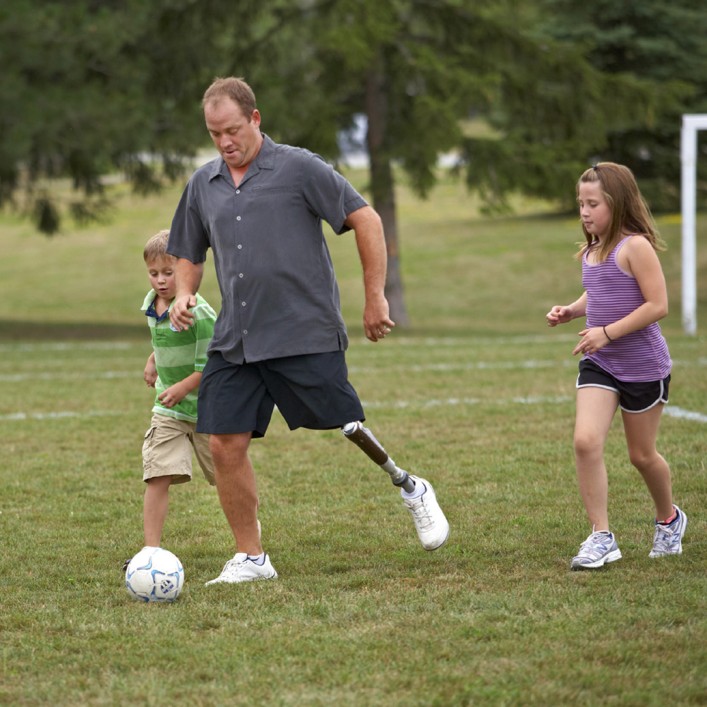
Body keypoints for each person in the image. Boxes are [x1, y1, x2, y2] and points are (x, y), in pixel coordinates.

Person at [167, 76, 449, 585]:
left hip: (303, 331)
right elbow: (188, 252)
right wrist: (185, 292)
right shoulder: (202, 184)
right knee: (224, 442)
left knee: (345, 423)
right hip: (237, 339)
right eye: (214, 134)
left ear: (255, 119)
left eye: (232, 129)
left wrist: (375, 296)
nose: (225, 142)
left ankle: (410, 486)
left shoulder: (300, 167)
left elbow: (366, 220)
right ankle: (252, 558)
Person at [546, 162, 687, 570]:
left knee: (642, 457)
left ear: (617, 203)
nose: (584, 212)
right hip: (601, 364)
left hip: (643, 367)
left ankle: (669, 519)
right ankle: (601, 535)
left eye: (593, 204)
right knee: (585, 442)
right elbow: (599, 291)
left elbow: (657, 305)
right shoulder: (591, 251)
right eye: (580, 203)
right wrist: (572, 311)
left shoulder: (635, 247)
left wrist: (606, 332)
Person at [138, 229, 218, 553]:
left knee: (228, 478)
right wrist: (153, 359)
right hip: (169, 410)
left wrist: (182, 388)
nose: (160, 281)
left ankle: (249, 543)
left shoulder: (199, 313)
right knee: (156, 473)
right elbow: (163, 341)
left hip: (208, 410)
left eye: (168, 273)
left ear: (184, 271)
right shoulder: (151, 306)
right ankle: (150, 551)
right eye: (154, 273)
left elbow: (212, 362)